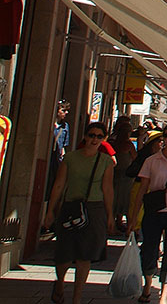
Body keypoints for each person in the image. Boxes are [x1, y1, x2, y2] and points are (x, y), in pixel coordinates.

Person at [43, 120, 114, 304]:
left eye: (99, 137)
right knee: (64, 254)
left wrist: (110, 215)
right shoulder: (71, 158)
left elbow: (107, 189)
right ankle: (60, 282)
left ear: (104, 139)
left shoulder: (106, 161)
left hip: (94, 209)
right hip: (70, 207)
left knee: (85, 255)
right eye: (91, 135)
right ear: (85, 136)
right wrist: (50, 211)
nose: (94, 139)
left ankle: (77, 297)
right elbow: (59, 184)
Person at [129, 121, 167, 304]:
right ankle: (147, 285)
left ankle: (164, 297)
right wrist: (133, 217)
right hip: (154, 211)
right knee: (149, 250)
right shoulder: (151, 161)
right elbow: (142, 189)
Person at [110, 116, 136, 232]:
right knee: (123, 198)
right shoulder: (128, 144)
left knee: (114, 197)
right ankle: (119, 221)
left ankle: (113, 220)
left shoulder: (113, 142)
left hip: (115, 173)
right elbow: (135, 157)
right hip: (126, 174)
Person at [49, 100, 71, 198]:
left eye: (67, 110)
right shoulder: (50, 124)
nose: (66, 113)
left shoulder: (65, 127)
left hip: (57, 158)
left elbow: (64, 146)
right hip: (49, 155)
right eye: (63, 110)